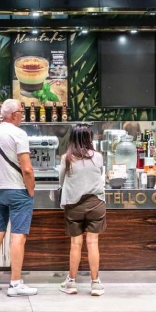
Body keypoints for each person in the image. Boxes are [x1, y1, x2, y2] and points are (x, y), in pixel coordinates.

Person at [0, 99, 37, 296]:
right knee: (18, 236)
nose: (22, 115)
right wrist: (31, 189)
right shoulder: (18, 134)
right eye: (21, 112)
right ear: (14, 114)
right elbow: (27, 168)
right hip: (18, 190)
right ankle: (15, 283)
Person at [57, 123, 106, 295]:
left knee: (75, 244)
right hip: (96, 204)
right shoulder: (98, 157)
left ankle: (71, 283)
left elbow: (61, 181)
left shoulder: (67, 158)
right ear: (89, 138)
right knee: (93, 243)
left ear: (73, 138)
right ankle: (95, 284)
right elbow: (99, 174)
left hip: (74, 205)